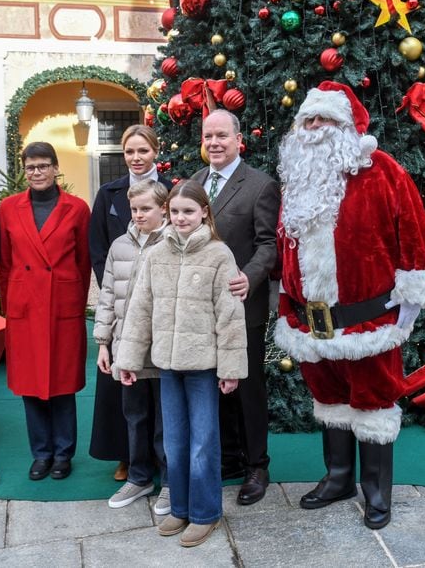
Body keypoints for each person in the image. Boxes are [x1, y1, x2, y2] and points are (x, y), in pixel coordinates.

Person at [274, 81, 425, 529]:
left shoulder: (382, 170)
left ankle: (376, 493)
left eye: (324, 119)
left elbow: (414, 233)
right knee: (328, 399)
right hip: (311, 323)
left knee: (373, 405)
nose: (314, 127)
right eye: (308, 119)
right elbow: (286, 247)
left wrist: (412, 298)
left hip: (369, 320)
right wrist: (286, 301)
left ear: (347, 126)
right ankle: (338, 478)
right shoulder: (297, 177)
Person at [115, 180, 248, 548]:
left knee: (204, 441)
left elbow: (229, 316)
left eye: (188, 211)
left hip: (203, 368)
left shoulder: (220, 255)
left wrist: (230, 368)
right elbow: (140, 311)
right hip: (167, 367)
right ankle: (181, 507)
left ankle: (205, 513)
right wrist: (129, 360)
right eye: (175, 211)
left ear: (204, 211)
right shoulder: (156, 255)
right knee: (174, 440)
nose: (181, 217)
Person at [190, 110, 279, 506]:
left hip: (243, 305)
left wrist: (250, 276)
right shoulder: (192, 185)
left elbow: (268, 244)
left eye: (222, 135)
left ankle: (256, 465)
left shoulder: (260, 185)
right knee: (213, 386)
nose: (214, 143)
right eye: (208, 135)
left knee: (246, 389)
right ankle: (226, 458)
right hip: (201, 309)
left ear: (239, 139)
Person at [0, 142, 91, 481]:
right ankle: (41, 454)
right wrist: (10, 307)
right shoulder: (8, 208)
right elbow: (5, 262)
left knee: (62, 382)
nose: (36, 172)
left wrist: (75, 302)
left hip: (61, 305)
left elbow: (83, 260)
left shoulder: (77, 208)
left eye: (42, 166)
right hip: (24, 306)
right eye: (30, 166)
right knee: (30, 383)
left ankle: (63, 453)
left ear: (55, 168)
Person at [89, 125, 172, 481]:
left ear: (156, 151)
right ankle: (126, 455)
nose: (136, 158)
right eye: (129, 152)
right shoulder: (109, 193)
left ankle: (165, 461)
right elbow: (98, 248)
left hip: (159, 308)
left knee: (160, 393)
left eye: (143, 151)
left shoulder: (173, 191)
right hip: (122, 300)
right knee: (124, 390)